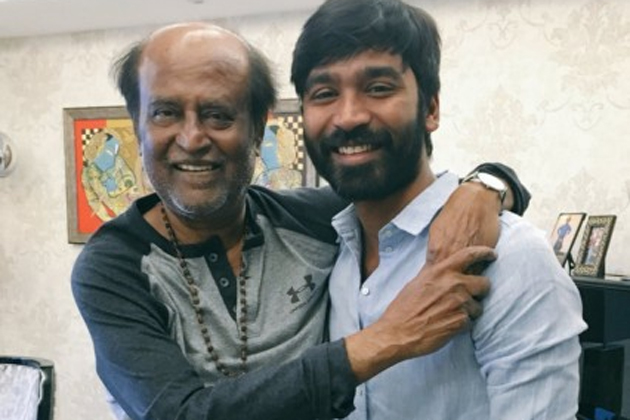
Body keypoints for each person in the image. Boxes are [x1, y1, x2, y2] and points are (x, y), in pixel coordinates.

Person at [71, 22, 530, 420]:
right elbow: (180, 413)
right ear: (138, 125)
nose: (191, 138)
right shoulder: (114, 266)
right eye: (166, 113)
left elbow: (401, 191)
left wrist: (488, 184)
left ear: (258, 128)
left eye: (218, 116)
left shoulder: (314, 219)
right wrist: (387, 338)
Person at [291, 0, 587, 419]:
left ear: (430, 108)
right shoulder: (327, 247)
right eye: (324, 94)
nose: (349, 117)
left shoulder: (511, 257)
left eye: (379, 88)